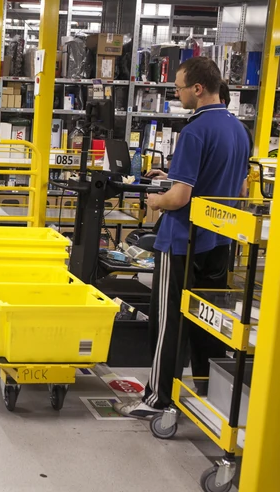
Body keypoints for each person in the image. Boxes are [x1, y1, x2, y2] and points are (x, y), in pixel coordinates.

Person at [115, 57, 250, 419]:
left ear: (198, 89)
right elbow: (238, 189)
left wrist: (157, 199)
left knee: (168, 323)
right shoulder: (239, 130)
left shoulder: (194, 131)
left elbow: (179, 198)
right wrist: (174, 177)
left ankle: (158, 399)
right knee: (209, 321)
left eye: (178, 88)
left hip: (182, 243)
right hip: (220, 242)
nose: (176, 94)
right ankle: (208, 391)